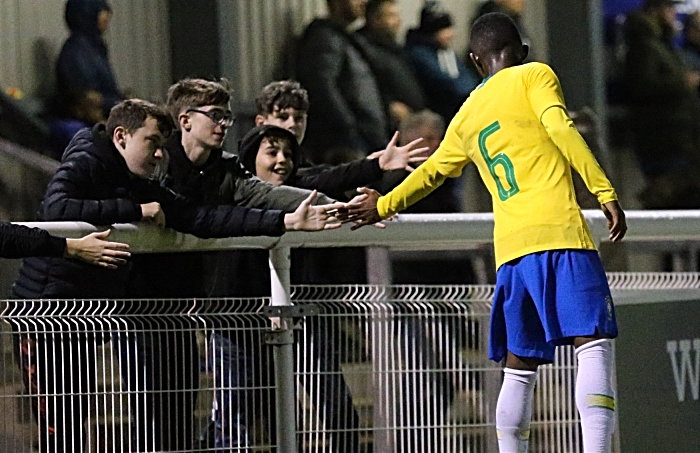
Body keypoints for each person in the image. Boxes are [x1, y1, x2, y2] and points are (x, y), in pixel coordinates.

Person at [343, 13, 627, 453]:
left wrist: (382, 203)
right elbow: (559, 127)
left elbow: (433, 172)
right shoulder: (534, 75)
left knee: (519, 367)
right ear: (524, 51)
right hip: (560, 236)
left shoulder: (466, 114)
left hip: (512, 254)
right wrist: (603, 188)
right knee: (592, 342)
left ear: (476, 61)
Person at [12, 98, 341, 453]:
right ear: (122, 137)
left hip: (82, 317)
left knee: (73, 425)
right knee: (59, 430)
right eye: (152, 143)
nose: (158, 155)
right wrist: (134, 210)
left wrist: (286, 221)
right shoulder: (87, 158)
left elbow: (204, 217)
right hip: (44, 318)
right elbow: (57, 208)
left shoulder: (138, 179)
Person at [623, 0, 700, 208]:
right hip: (664, 136)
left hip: (679, 136)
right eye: (670, 9)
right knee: (672, 194)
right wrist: (683, 82)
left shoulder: (661, 43)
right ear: (657, 11)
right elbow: (643, 86)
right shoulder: (644, 45)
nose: (674, 15)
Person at [295, 0, 389, 163]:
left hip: (364, 137)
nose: (364, 2)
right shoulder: (324, 38)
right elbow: (321, 86)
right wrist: (348, 129)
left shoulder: (345, 38)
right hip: (349, 142)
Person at [404, 1, 480, 123]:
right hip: (440, 116)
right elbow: (450, 86)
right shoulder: (420, 55)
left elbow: (468, 78)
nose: (450, 34)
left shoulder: (445, 51)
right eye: (444, 30)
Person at [357, 0, 426, 128]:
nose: (398, 21)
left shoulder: (393, 47)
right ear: (375, 19)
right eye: (391, 16)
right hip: (385, 124)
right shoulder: (362, 47)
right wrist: (388, 104)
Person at [55, 0, 123, 116]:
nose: (106, 19)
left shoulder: (96, 48)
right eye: (101, 13)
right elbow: (87, 97)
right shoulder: (76, 50)